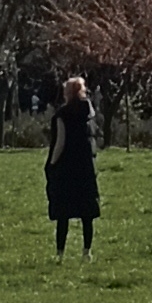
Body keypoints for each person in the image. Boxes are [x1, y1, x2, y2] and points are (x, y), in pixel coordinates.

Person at [45, 74, 101, 258]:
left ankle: (60, 253)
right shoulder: (89, 114)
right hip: (86, 167)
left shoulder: (62, 115)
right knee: (87, 212)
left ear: (67, 93)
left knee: (63, 212)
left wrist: (52, 163)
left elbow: (60, 142)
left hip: (67, 168)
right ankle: (87, 252)